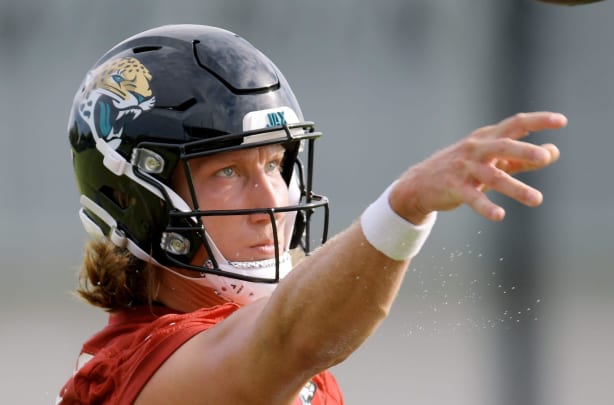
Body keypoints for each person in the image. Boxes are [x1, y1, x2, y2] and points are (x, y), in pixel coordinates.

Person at [57, 24, 567, 405]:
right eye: (228, 173)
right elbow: (287, 340)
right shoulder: (128, 373)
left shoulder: (283, 349)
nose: (274, 200)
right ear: (135, 199)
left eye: (276, 164)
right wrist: (404, 206)